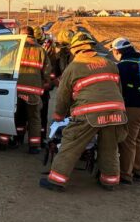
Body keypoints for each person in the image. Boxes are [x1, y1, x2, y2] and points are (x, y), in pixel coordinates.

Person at [40, 32, 127, 191]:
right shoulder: (109, 63)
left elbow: (63, 96)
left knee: (71, 144)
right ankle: (110, 181)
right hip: (116, 111)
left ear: (75, 49)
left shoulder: (74, 67)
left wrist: (58, 117)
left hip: (89, 113)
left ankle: (56, 181)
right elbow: (117, 89)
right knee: (109, 147)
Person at [111, 36, 140, 184]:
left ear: (118, 51)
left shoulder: (123, 66)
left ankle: (126, 174)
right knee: (139, 139)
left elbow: (117, 89)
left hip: (133, 108)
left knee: (128, 141)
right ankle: (139, 170)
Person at [0, 26, 51, 154]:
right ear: (33, 35)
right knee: (34, 119)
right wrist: (45, 83)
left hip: (15, 90)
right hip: (33, 91)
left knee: (10, 116)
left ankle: (2, 143)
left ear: (21, 34)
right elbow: (47, 71)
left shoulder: (15, 48)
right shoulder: (41, 50)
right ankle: (34, 146)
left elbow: (2, 65)